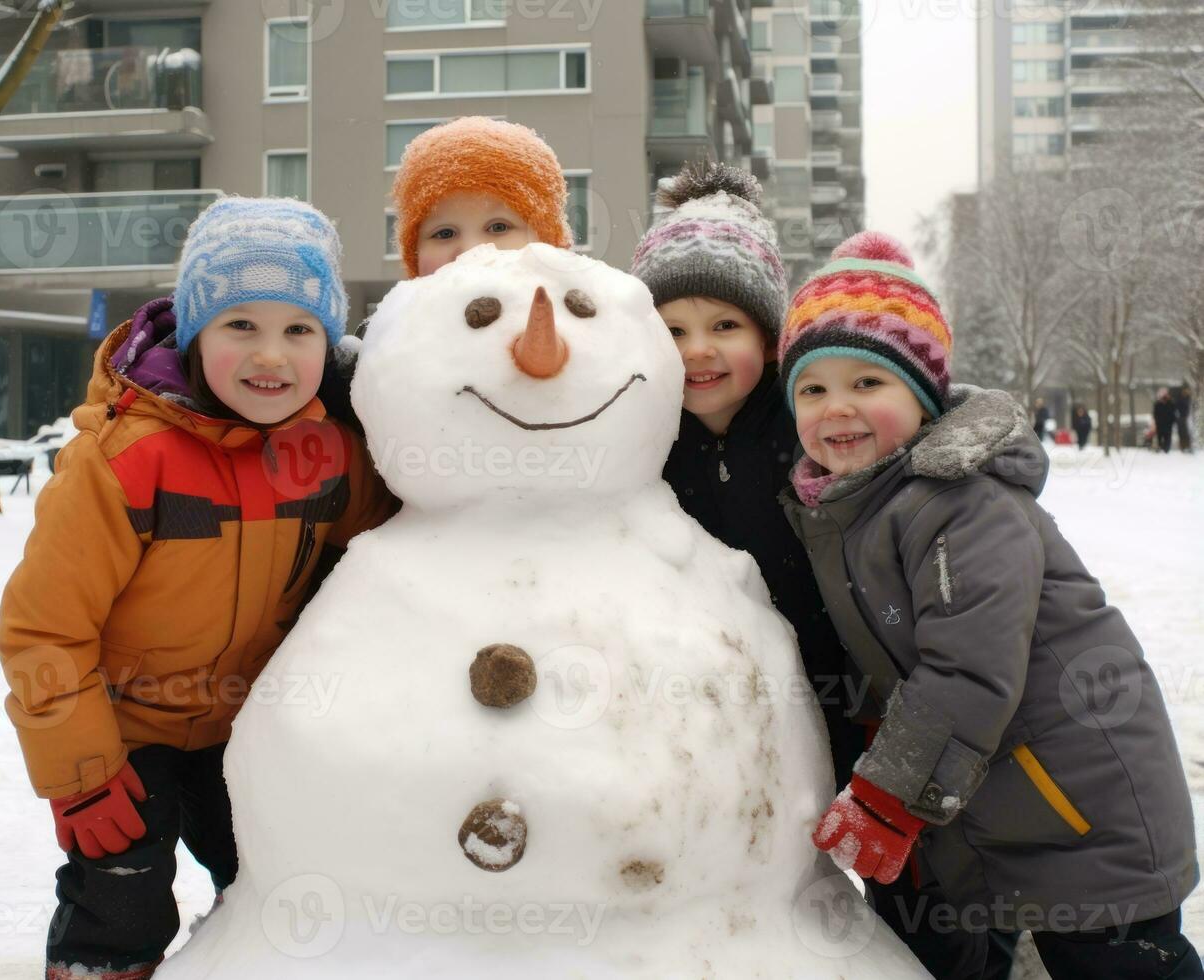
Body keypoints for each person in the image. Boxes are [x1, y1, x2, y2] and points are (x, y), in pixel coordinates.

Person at [779, 231, 1200, 980]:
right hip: (1010, 807)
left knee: (1117, 965)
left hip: (1082, 810)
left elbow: (967, 666)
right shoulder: (849, 512)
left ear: (923, 396)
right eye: (812, 389)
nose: (836, 407)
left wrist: (885, 793)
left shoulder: (961, 503)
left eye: (867, 384)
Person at [0, 197, 396, 980]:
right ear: (194, 331)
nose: (271, 357)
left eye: (298, 329)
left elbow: (383, 554)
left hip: (246, 731)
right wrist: (81, 776)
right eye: (239, 326)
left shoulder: (324, 451)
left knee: (274, 881)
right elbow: (44, 628)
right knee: (123, 893)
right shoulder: (127, 460)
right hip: (122, 735)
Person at [631, 161, 865, 794]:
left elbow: (901, 422)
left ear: (769, 340)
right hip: (730, 719)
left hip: (851, 694)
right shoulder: (646, 440)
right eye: (672, 330)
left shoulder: (809, 425)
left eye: (724, 326)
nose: (696, 349)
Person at [319, 116, 573, 427]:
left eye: (498, 227)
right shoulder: (379, 352)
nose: (470, 250)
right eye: (444, 233)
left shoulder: (593, 331)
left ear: (548, 240)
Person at [1154, 388, 1177, 453]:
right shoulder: (1157, 404)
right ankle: (1160, 447)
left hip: (1168, 424)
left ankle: (1166, 448)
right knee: (1160, 436)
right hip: (1160, 424)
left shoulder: (1171, 404)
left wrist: (1172, 421)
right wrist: (1157, 421)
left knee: (1167, 437)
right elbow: (1155, 414)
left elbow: (1173, 413)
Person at [1176, 385, 1193, 453]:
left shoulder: (1188, 398)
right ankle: (1182, 446)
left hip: (1186, 417)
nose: (1186, 392)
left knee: (1186, 432)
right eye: (1185, 391)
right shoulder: (1179, 398)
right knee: (1181, 432)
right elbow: (1177, 406)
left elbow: (1188, 407)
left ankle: (1188, 446)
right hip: (1180, 417)